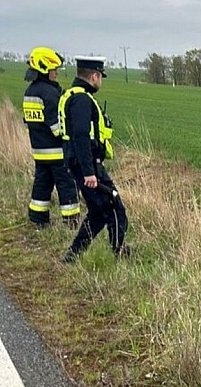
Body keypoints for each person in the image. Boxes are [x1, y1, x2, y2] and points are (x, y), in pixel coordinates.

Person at [58, 56, 129, 263]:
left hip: (79, 163)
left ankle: (71, 257)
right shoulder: (81, 100)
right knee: (115, 207)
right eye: (100, 77)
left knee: (98, 212)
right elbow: (81, 135)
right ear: (94, 76)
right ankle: (119, 253)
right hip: (87, 166)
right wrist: (89, 172)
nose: (101, 81)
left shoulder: (70, 95)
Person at [22, 47, 80, 228]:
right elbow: (57, 127)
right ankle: (71, 222)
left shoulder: (30, 91)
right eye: (54, 70)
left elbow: (29, 121)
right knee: (67, 185)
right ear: (45, 69)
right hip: (56, 152)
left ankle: (38, 219)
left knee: (42, 184)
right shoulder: (49, 93)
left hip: (39, 151)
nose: (56, 74)